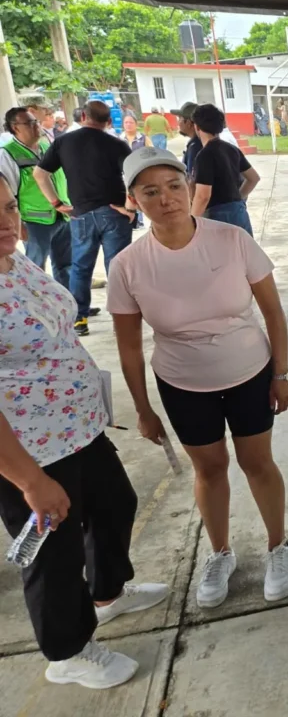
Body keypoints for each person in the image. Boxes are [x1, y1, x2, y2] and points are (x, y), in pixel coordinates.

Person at [0, 172, 169, 690]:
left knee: (116, 503)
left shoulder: (14, 263)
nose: (6, 222)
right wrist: (29, 481)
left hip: (76, 425)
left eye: (8, 208)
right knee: (52, 552)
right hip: (27, 449)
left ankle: (108, 592)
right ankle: (67, 651)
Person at [107, 147, 288, 610]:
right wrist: (144, 410)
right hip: (182, 382)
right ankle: (220, 553)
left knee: (258, 464)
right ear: (133, 199)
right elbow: (129, 346)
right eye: (150, 191)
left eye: (174, 186)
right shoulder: (127, 266)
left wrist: (281, 373)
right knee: (209, 470)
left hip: (249, 372)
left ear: (188, 187)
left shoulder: (231, 240)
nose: (166, 198)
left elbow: (272, 311)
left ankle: (278, 547)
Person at [33, 100, 134, 337]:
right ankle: (123, 316)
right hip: (115, 212)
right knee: (117, 266)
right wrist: (130, 208)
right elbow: (134, 177)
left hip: (81, 214)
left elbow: (40, 174)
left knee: (80, 266)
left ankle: (79, 319)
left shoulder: (63, 142)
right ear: (109, 121)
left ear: (83, 117)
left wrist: (56, 203)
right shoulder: (117, 144)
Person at [0, 107, 72, 289]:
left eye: (36, 122)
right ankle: (36, 304)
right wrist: (19, 223)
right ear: (15, 127)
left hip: (61, 216)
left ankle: (69, 303)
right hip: (34, 221)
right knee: (35, 267)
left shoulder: (48, 147)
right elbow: (8, 193)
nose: (36, 126)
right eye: (30, 123)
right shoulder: (7, 155)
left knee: (66, 264)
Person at [190, 104, 260, 236]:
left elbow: (203, 195)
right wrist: (238, 198)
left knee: (222, 256)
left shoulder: (204, 155)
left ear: (196, 127)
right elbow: (253, 178)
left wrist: (191, 223)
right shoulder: (231, 149)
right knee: (244, 254)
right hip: (239, 213)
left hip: (218, 217)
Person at [171, 101, 202, 179]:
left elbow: (192, 179)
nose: (178, 122)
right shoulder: (198, 142)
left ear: (188, 123)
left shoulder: (196, 146)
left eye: (180, 118)